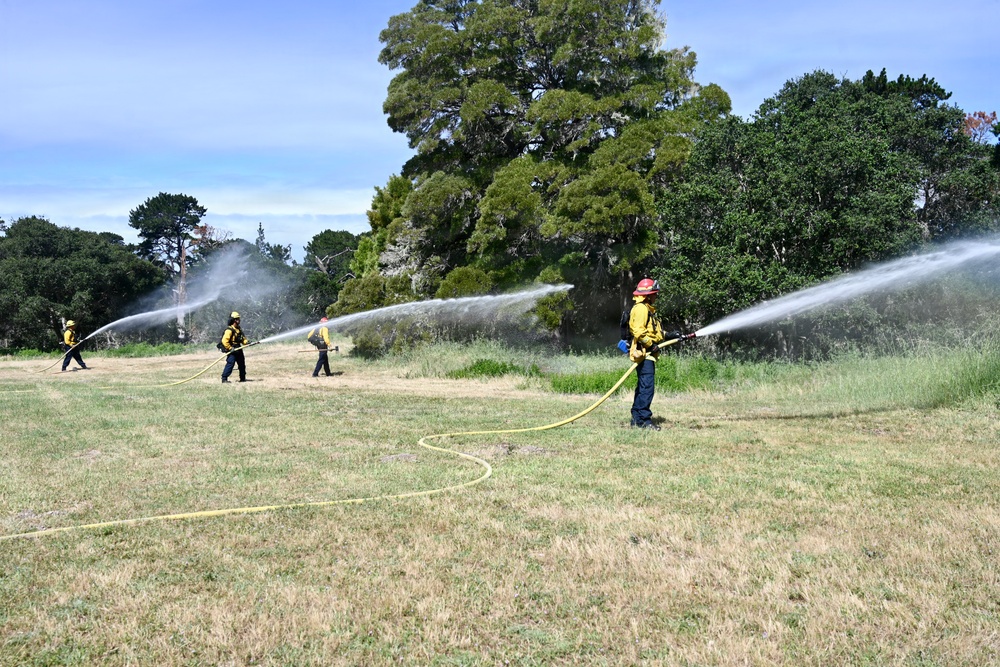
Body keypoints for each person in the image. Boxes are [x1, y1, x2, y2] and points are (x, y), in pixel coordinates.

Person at [628, 278, 666, 430]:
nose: (656, 296)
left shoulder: (647, 309)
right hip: (645, 353)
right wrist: (651, 345)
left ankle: (637, 419)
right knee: (647, 388)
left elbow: (653, 332)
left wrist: (669, 336)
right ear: (648, 295)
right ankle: (644, 420)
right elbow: (638, 331)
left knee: (643, 387)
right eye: (654, 293)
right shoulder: (641, 309)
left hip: (647, 354)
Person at [221, 311, 251, 383]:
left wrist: (246, 342)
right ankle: (224, 378)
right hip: (232, 349)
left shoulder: (239, 329)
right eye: (237, 319)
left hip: (238, 348)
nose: (239, 320)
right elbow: (224, 341)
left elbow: (242, 339)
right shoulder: (229, 330)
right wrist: (230, 348)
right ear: (234, 320)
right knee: (230, 363)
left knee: (242, 364)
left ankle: (243, 378)